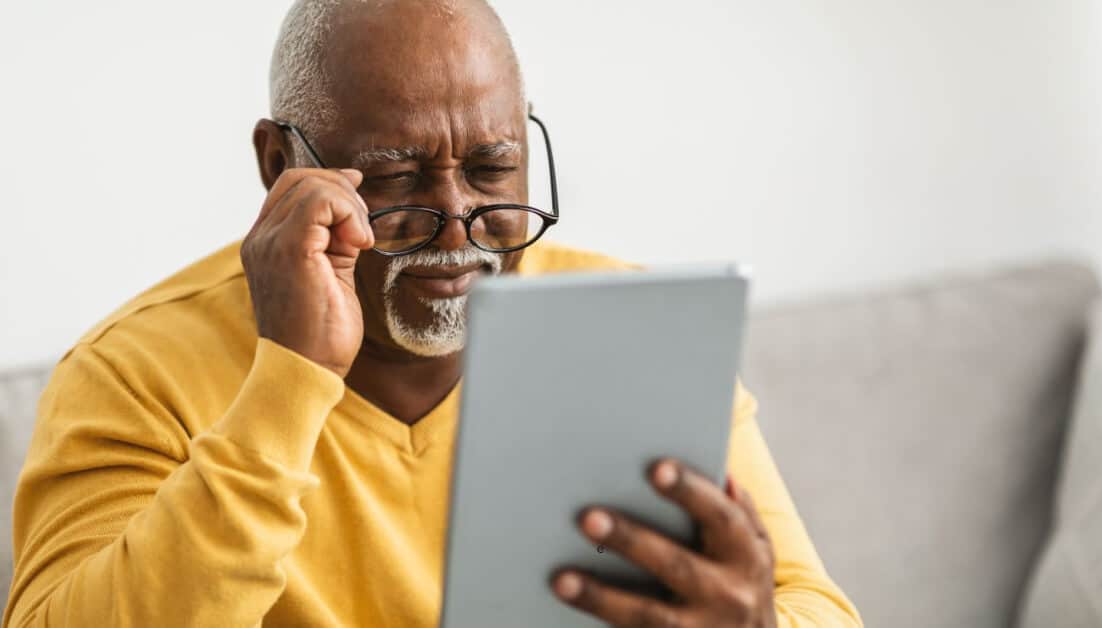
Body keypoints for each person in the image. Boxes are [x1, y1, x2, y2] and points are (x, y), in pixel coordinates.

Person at [2, 1, 862, 626]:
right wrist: (289, 380)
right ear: (279, 166)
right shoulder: (132, 373)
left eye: (491, 169)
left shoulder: (639, 331)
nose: (459, 224)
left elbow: (814, 606)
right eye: (394, 177)